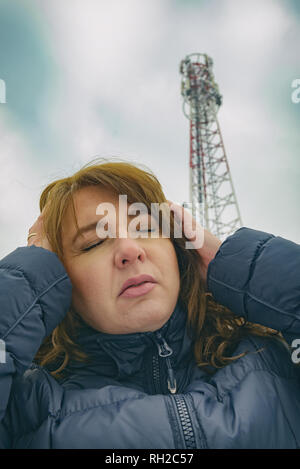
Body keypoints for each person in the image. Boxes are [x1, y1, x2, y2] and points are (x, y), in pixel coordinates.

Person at [0, 158, 300, 449]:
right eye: (94, 243)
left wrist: (232, 265)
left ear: (179, 250)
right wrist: (30, 275)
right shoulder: (25, 405)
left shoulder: (274, 356)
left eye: (144, 228)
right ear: (59, 277)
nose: (130, 249)